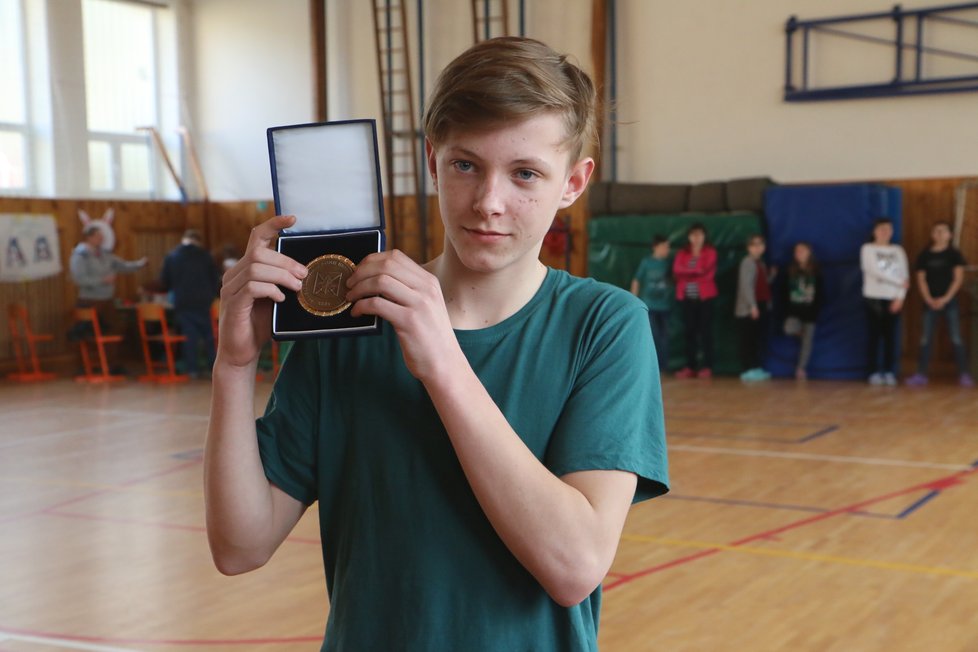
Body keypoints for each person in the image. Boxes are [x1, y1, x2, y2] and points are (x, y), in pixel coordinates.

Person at [205, 37, 668, 651]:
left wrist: (443, 364)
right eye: (466, 165)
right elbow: (239, 547)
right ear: (432, 161)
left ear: (573, 183)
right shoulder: (351, 321)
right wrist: (234, 366)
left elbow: (574, 565)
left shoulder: (605, 325)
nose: (489, 202)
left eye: (525, 173)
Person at [905, 221, 974, 387]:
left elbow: (958, 279)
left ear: (949, 235)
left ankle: (964, 374)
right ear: (932, 234)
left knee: (956, 337)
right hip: (930, 302)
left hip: (949, 302)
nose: (939, 234)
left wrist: (945, 299)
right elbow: (920, 279)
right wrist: (929, 298)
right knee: (925, 339)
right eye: (936, 231)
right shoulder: (925, 255)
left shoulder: (954, 254)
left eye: (943, 231)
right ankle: (921, 374)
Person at [160, 229, 220, 378]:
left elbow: (164, 281)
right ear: (197, 240)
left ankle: (192, 369)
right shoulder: (205, 256)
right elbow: (215, 279)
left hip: (183, 301)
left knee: (190, 336)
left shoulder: (172, 256)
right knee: (209, 336)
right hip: (204, 302)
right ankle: (214, 369)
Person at [69, 223, 148, 337]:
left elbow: (122, 266)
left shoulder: (105, 254)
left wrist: (139, 264)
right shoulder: (80, 255)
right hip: (90, 301)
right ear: (89, 238)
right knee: (92, 335)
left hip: (107, 300)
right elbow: (79, 279)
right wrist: (102, 280)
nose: (101, 239)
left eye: (102, 236)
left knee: (112, 331)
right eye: (98, 236)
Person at [860, 218, 909, 386]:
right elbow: (873, 270)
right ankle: (873, 371)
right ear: (875, 231)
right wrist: (897, 282)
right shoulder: (868, 249)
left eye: (888, 229)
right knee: (874, 335)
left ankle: (889, 371)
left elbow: (905, 276)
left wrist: (900, 297)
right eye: (881, 228)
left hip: (893, 298)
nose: (885, 232)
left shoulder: (898, 250)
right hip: (873, 297)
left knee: (890, 337)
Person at [672, 223, 717, 379]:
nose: (697, 238)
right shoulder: (682, 254)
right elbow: (677, 271)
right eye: (693, 235)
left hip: (705, 299)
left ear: (704, 237)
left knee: (705, 333)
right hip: (687, 299)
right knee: (689, 333)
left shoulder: (710, 252)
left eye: (700, 234)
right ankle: (690, 366)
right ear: (689, 237)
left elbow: (706, 272)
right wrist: (694, 271)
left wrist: (688, 272)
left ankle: (707, 366)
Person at [734, 234, 775, 382]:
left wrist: (772, 276)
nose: (757, 248)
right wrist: (752, 306)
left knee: (757, 339)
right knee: (748, 340)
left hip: (761, 305)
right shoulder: (747, 263)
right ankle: (747, 369)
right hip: (749, 309)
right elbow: (746, 287)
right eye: (754, 245)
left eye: (760, 244)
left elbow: (761, 285)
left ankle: (756, 367)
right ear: (748, 248)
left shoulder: (761, 264)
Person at [782, 241, 823, 381]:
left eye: (803, 250)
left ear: (809, 252)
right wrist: (787, 310)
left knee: (807, 342)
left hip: (810, 311)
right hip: (794, 310)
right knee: (788, 328)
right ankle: (801, 333)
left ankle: (801, 368)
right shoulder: (790, 270)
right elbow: (784, 292)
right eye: (797, 251)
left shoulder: (816, 270)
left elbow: (820, 293)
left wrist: (815, 310)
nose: (800, 253)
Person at [631, 234, 672, 370]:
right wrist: (633, 300)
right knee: (651, 335)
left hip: (665, 306)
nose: (667, 249)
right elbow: (636, 279)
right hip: (650, 306)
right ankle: (651, 365)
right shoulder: (647, 262)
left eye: (668, 247)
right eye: (665, 246)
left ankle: (663, 366)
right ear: (656, 247)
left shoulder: (669, 263)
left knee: (664, 336)